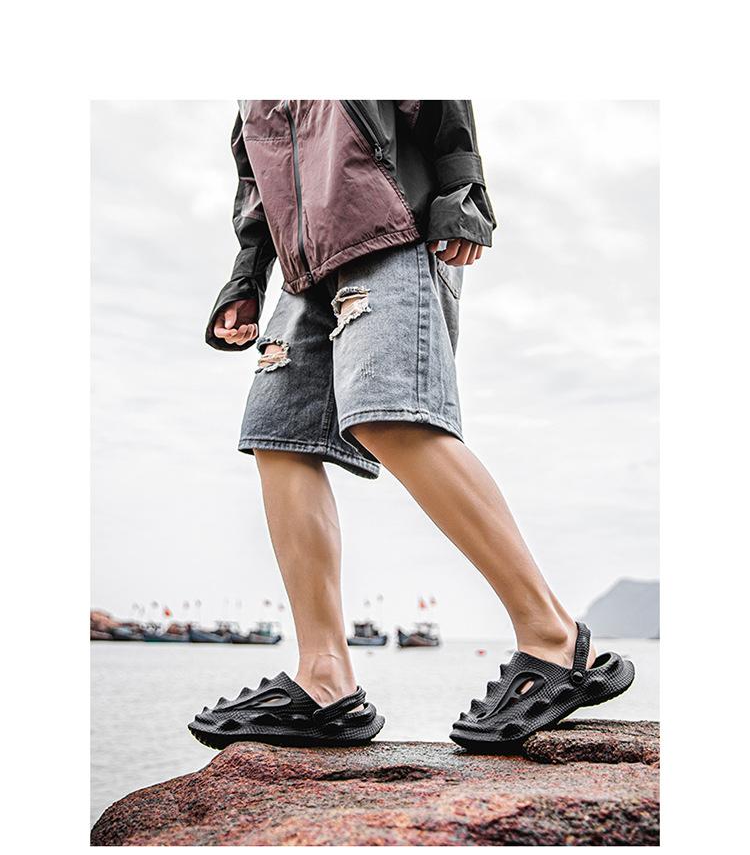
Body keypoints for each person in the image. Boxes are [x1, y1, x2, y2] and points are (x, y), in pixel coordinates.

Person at [188, 100, 634, 753]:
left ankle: (556, 638)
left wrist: (464, 190)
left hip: (393, 228)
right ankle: (324, 679)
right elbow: (257, 182)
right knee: (278, 439)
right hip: (303, 271)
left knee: (390, 414)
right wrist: (244, 278)